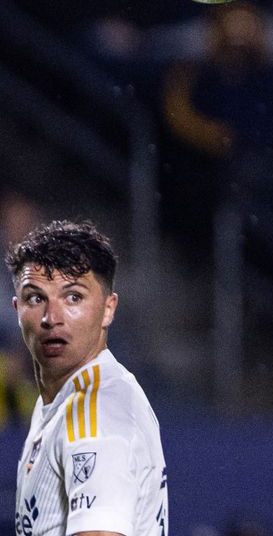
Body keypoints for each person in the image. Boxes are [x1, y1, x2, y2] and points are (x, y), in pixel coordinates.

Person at [7, 220, 168, 536]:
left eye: (73, 297)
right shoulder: (57, 400)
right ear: (17, 309)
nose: (51, 318)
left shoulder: (96, 415)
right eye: (35, 298)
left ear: (109, 309)